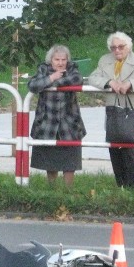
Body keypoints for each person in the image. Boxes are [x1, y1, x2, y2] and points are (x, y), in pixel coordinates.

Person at [88, 32, 134, 188]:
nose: (117, 50)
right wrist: (109, 82)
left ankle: (133, 187)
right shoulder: (104, 60)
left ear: (129, 46)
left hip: (131, 111)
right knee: (114, 149)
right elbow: (92, 78)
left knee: (129, 151)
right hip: (113, 111)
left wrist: (131, 84)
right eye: (113, 48)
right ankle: (120, 186)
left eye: (121, 47)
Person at [27, 45, 87, 186]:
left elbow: (77, 80)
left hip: (70, 122)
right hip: (47, 122)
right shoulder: (43, 69)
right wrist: (51, 78)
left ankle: (68, 190)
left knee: (70, 160)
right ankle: (52, 188)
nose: (60, 63)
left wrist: (55, 82)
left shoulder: (72, 69)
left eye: (63, 59)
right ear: (51, 60)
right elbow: (33, 85)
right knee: (50, 158)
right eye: (57, 59)